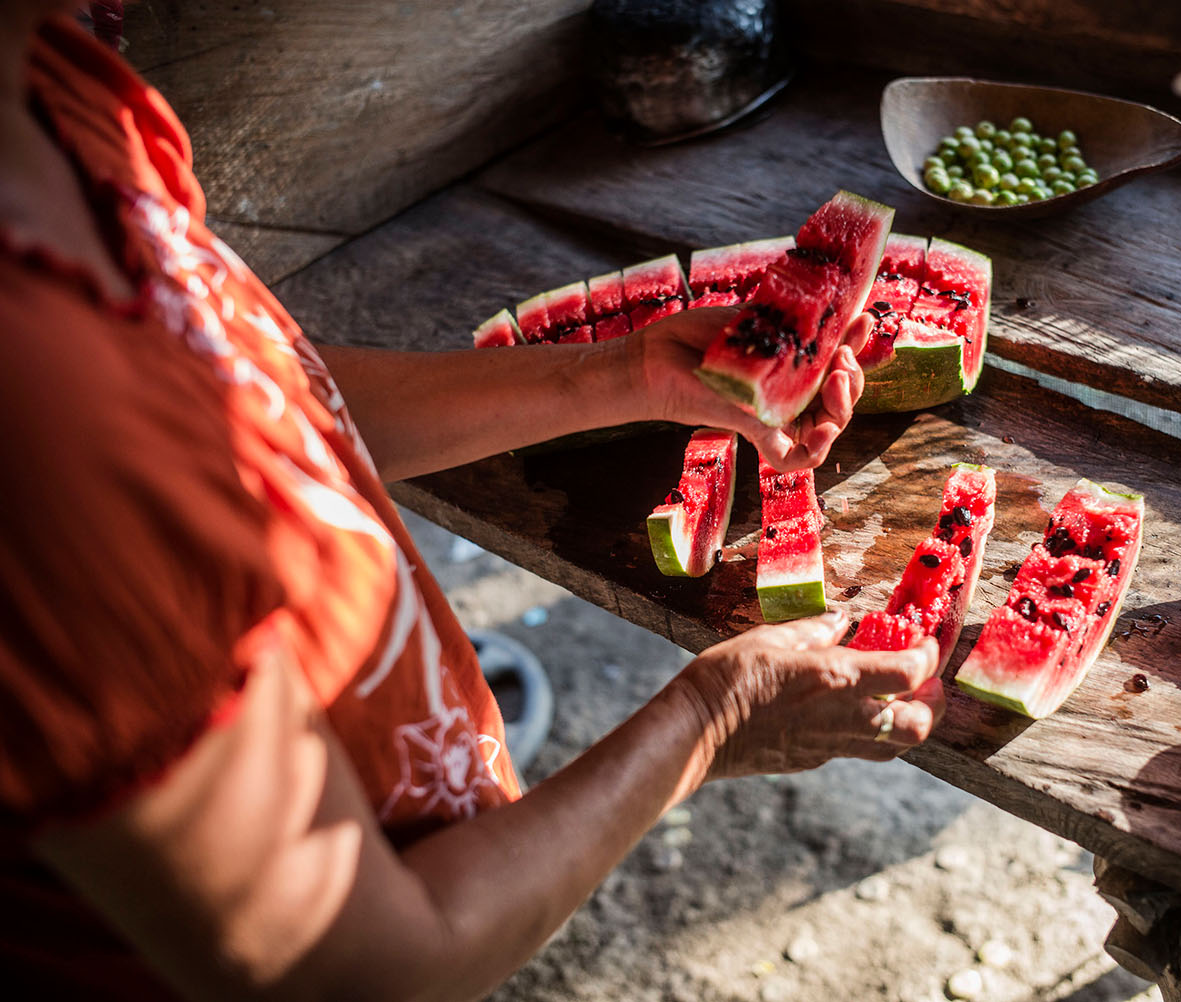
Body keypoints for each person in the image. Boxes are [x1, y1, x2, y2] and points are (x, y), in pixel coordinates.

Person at [0, 4, 946, 999]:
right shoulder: (41, 423)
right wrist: (714, 719)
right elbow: (357, 966)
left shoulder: (55, 79)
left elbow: (247, 389)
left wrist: (618, 374)